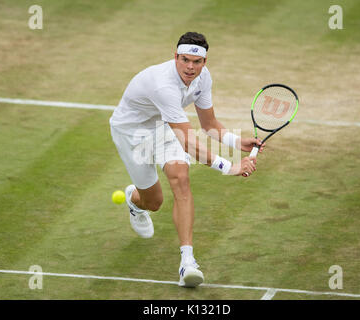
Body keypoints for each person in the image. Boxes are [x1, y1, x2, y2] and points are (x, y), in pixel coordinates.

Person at [110, 32, 263, 288]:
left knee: (181, 179)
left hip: (165, 127)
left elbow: (208, 124)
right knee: (154, 202)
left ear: (204, 62)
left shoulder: (203, 79)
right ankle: (135, 201)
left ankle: (187, 263)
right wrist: (230, 167)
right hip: (132, 132)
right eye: (185, 60)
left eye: (197, 62)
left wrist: (237, 143)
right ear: (175, 57)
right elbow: (190, 143)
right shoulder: (163, 85)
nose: (190, 67)